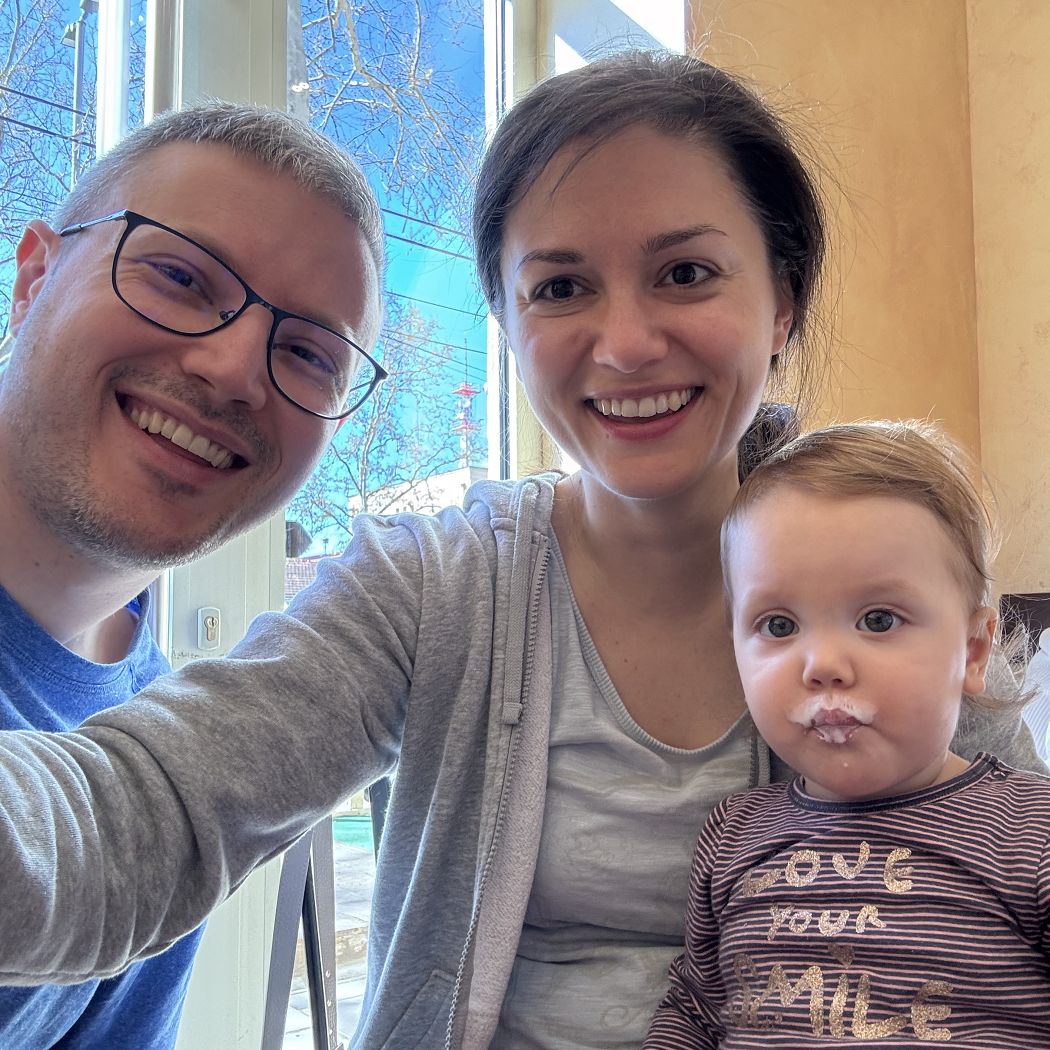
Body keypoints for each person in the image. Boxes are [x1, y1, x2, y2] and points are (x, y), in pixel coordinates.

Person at [0, 52, 1042, 1050]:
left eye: (685, 272)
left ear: (783, 303)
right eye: (560, 288)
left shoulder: (901, 562)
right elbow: (147, 812)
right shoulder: (434, 585)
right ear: (504, 321)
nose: (625, 345)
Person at [0, 102, 383, 1049]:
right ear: (34, 277)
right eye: (178, 277)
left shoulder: (165, 774)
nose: (233, 370)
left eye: (308, 354)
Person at [644, 420, 1049, 1048]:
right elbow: (696, 1007)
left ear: (972, 650)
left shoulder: (1030, 830)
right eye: (779, 626)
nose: (823, 664)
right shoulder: (732, 836)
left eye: (878, 619)